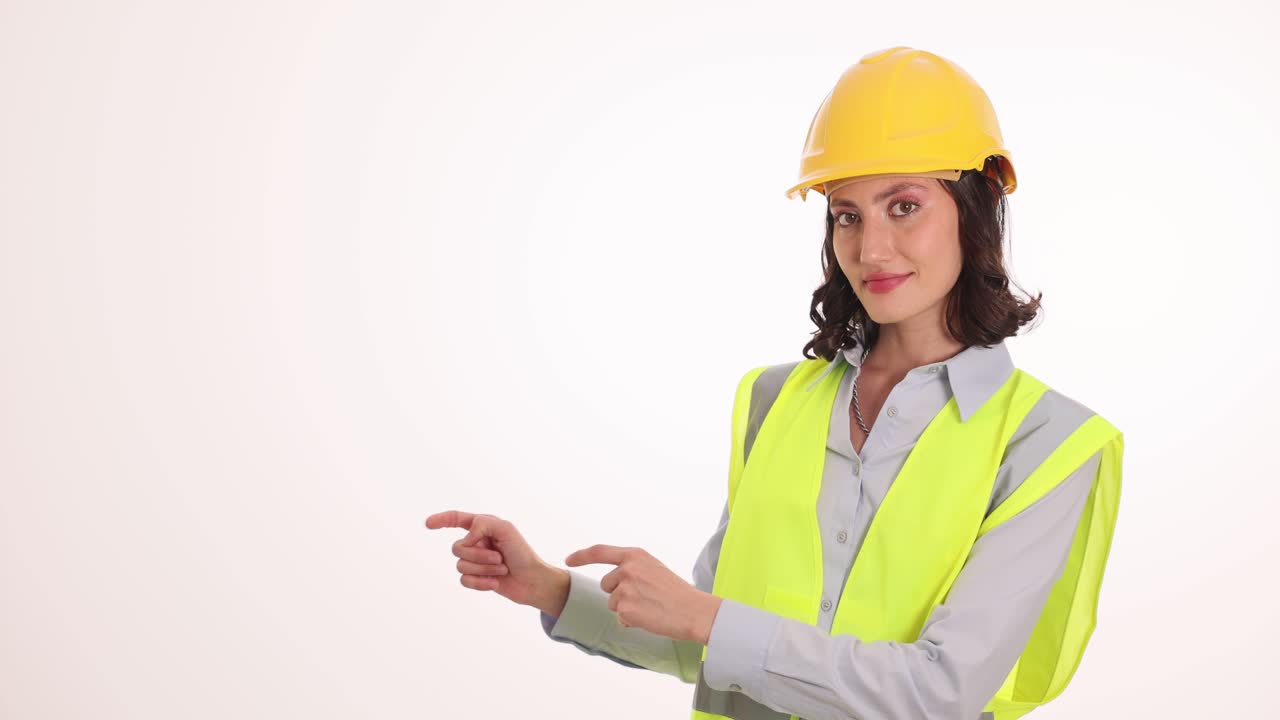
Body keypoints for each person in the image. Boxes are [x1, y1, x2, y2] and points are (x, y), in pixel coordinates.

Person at [426, 46, 1123, 720]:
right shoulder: (775, 401)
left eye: (903, 205)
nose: (869, 248)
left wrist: (709, 618)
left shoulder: (1050, 445)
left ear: (975, 211)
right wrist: (550, 588)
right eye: (846, 214)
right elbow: (707, 642)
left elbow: (938, 694)